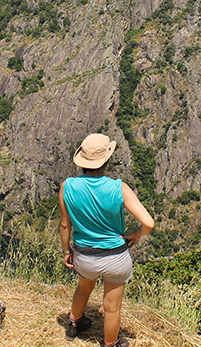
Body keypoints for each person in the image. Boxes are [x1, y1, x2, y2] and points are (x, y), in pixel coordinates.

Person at [59, 133, 155, 347]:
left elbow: (65, 225)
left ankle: (74, 324)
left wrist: (67, 252)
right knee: (112, 307)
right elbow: (148, 223)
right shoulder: (118, 188)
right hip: (115, 258)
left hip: (85, 256)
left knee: (83, 288)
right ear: (107, 159)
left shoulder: (68, 187)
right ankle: (111, 343)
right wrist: (135, 234)